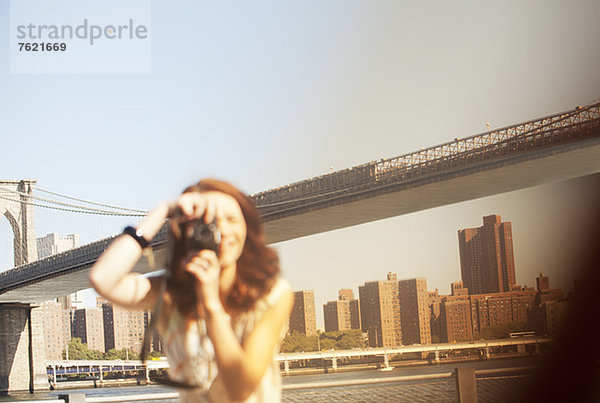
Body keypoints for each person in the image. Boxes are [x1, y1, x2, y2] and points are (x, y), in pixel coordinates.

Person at [89, 179, 293, 402]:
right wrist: (164, 210)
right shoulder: (169, 294)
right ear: (186, 232)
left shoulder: (272, 295)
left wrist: (210, 303)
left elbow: (240, 390)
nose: (222, 230)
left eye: (232, 219)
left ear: (247, 226)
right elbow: (102, 279)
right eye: (209, 222)